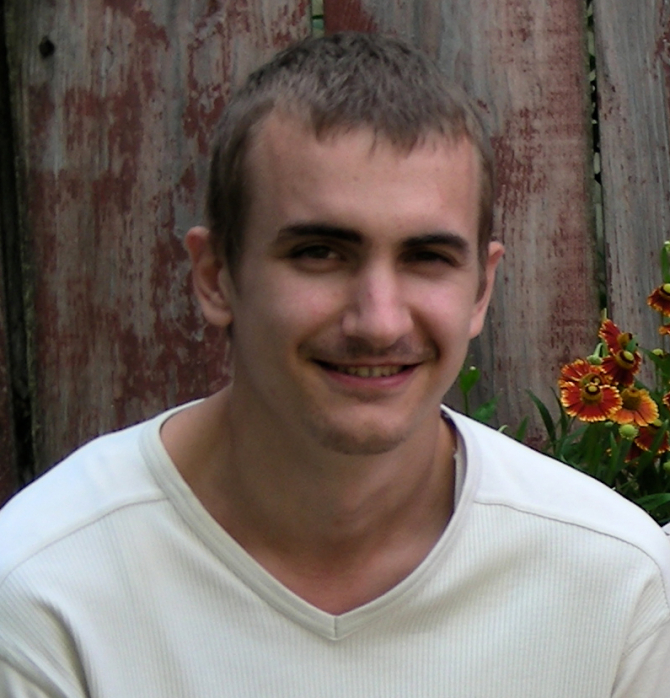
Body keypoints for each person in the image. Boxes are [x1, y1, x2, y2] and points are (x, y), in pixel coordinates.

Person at [1, 32, 669, 697]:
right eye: (319, 253)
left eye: (427, 257)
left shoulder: (614, 585)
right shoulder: (44, 592)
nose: (379, 320)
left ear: (480, 290)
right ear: (214, 277)